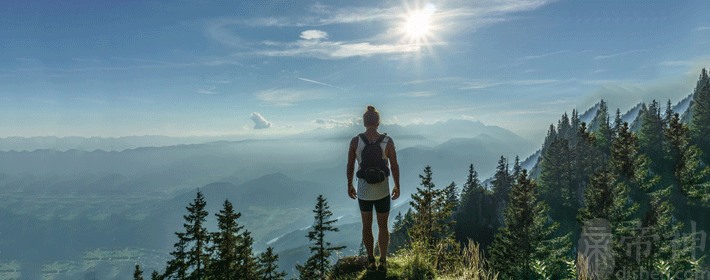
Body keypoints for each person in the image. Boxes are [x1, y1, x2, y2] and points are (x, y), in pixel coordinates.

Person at [346, 105, 400, 272]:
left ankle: (370, 261)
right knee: (383, 226)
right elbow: (394, 165)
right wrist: (397, 185)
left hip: (364, 190)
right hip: (382, 189)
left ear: (364, 122)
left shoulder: (356, 141)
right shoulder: (387, 141)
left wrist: (350, 184)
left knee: (366, 225)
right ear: (378, 122)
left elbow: (350, 165)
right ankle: (383, 261)